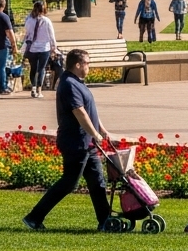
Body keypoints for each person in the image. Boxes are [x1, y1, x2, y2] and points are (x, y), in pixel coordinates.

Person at [23, 49, 119, 231]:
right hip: (75, 143)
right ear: (78, 65)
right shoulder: (68, 84)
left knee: (98, 182)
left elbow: (89, 110)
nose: (89, 67)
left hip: (87, 143)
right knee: (69, 183)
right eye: (87, 63)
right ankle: (34, 217)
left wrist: (102, 130)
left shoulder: (77, 83)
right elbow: (79, 113)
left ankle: (105, 221)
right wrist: (95, 133)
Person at [21, 0, 58, 98]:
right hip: (44, 48)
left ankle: (33, 88)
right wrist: (54, 48)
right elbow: (52, 36)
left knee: (33, 68)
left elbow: (26, 34)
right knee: (41, 69)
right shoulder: (47, 21)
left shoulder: (29, 20)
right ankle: (39, 90)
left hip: (32, 48)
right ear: (44, 9)